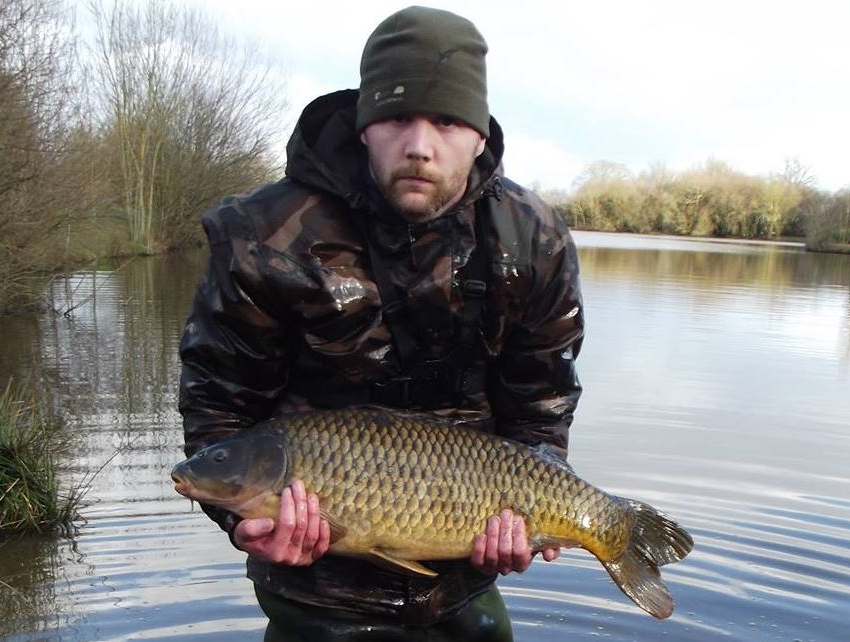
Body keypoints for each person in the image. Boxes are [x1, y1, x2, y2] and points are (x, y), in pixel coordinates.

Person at [178, 6, 584, 641]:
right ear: (364, 124)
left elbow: (540, 407)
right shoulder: (261, 236)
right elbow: (218, 410)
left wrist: (529, 510)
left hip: (462, 570)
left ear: (479, 135)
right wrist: (243, 524)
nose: (419, 145)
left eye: (446, 121)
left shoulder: (533, 242)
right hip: (314, 586)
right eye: (397, 117)